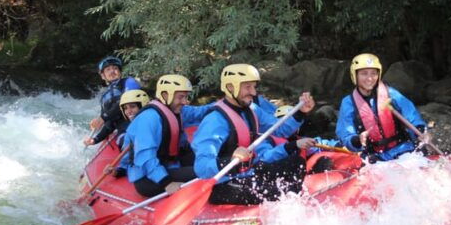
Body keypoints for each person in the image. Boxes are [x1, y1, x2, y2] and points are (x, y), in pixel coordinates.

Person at [191, 63, 316, 205]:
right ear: (231, 87)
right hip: (224, 184)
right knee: (278, 193)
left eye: (254, 87)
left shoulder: (251, 109)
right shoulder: (214, 120)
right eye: (247, 87)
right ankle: (288, 201)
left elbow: (281, 130)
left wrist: (301, 112)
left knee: (296, 162)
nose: (254, 92)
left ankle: (295, 198)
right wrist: (230, 160)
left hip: (249, 172)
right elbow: (201, 167)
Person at [120, 74, 214, 197]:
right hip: (148, 178)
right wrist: (167, 183)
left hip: (170, 163)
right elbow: (145, 157)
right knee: (206, 171)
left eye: (186, 97)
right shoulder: (148, 119)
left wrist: (225, 105)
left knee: (212, 164)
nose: (185, 102)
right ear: (165, 95)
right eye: (181, 97)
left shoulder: (178, 110)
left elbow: (201, 112)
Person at [336, 53, 430, 161]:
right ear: (355, 75)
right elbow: (345, 134)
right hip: (374, 157)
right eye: (364, 74)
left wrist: (421, 131)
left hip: (403, 150)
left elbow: (412, 116)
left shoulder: (391, 94)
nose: (370, 78)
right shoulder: (348, 103)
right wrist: (357, 140)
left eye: (373, 73)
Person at [84, 56, 142, 146]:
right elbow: (109, 124)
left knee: (129, 140)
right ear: (103, 76)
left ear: (120, 72)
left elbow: (125, 102)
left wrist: (102, 118)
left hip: (137, 124)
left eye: (115, 68)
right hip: (122, 130)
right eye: (108, 69)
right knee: (122, 141)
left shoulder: (129, 82)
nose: (112, 71)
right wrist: (95, 139)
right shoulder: (104, 97)